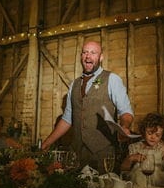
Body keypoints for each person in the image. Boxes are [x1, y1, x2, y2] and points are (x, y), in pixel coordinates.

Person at [41, 41, 135, 173]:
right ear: (81, 56)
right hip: (76, 154)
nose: (88, 56)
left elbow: (125, 111)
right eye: (85, 52)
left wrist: (124, 126)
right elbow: (67, 119)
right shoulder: (74, 85)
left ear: (101, 57)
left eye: (93, 53)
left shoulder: (112, 79)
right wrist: (47, 142)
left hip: (102, 154)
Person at [120, 112, 164, 188]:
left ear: (162, 135)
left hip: (156, 184)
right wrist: (131, 158)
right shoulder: (135, 147)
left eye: (157, 135)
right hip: (137, 185)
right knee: (138, 174)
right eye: (150, 133)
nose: (153, 137)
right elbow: (123, 169)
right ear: (144, 131)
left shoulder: (162, 149)